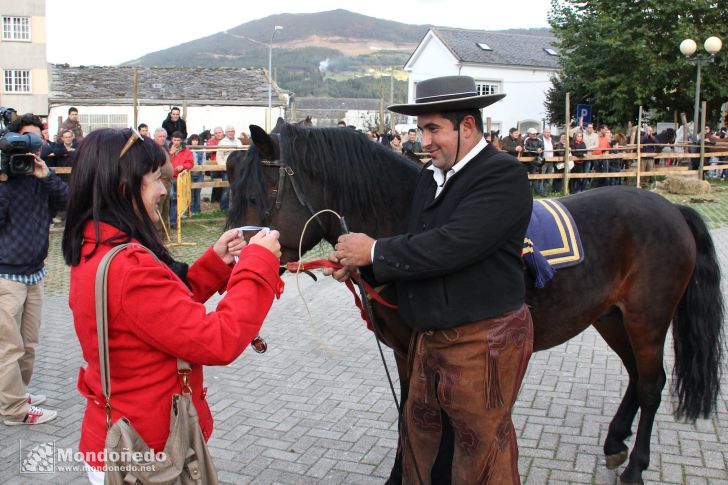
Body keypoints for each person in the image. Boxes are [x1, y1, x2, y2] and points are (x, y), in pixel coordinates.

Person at [326, 75, 533, 484]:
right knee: (422, 445)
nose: (424, 140)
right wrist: (362, 266)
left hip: (483, 342)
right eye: (422, 129)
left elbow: (451, 246)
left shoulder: (502, 175)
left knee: (481, 455)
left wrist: (374, 251)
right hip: (430, 340)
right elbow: (417, 246)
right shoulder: (430, 176)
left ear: (468, 127)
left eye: (433, 128)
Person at [61, 128, 283, 483]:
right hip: (150, 451)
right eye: (154, 179)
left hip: (117, 434)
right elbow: (217, 339)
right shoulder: (129, 267)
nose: (164, 189)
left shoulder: (96, 245)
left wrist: (215, 263)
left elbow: (156, 316)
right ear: (124, 186)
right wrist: (257, 265)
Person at [0, 113, 68, 426]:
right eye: (24, 140)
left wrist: (47, 176)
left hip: (35, 273)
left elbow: (68, 202)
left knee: (28, 346)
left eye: (37, 139)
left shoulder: (42, 174)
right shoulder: (4, 178)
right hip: (6, 275)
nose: (31, 147)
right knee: (8, 348)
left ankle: (15, 393)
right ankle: (14, 411)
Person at [168, 131, 194, 229]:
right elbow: (163, 162)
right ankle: (168, 221)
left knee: (175, 200)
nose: (176, 142)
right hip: (168, 178)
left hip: (179, 178)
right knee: (169, 199)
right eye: (174, 140)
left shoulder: (186, 150)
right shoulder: (167, 148)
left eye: (178, 140)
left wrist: (183, 166)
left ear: (181, 140)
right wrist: (170, 154)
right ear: (171, 139)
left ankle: (173, 221)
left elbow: (190, 163)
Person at [153, 128, 173, 234]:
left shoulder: (164, 148)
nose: (162, 139)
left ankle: (165, 233)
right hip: (160, 181)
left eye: (164, 137)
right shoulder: (153, 149)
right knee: (158, 209)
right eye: (159, 137)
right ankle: (157, 234)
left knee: (166, 208)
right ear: (154, 137)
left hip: (168, 182)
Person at [187, 134, 204, 215]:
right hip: (190, 174)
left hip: (200, 174)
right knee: (191, 193)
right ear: (191, 141)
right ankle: (191, 210)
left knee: (197, 193)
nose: (195, 142)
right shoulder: (188, 150)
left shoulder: (202, 150)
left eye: (196, 140)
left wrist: (203, 170)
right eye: (193, 140)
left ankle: (198, 210)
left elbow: (203, 160)